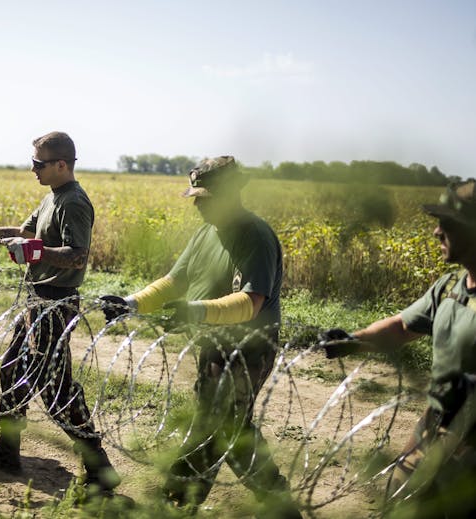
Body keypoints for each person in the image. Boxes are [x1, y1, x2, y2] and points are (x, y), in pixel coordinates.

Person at [100, 156, 301, 517]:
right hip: (213, 348)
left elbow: (251, 302)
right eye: (196, 196)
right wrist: (131, 304)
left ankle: (178, 498)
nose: (197, 204)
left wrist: (196, 311)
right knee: (230, 428)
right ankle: (278, 503)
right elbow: (175, 281)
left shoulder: (254, 234)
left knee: (214, 426)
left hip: (247, 350)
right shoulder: (206, 233)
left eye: (205, 197)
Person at [0, 131, 120, 494]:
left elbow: (77, 254)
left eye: (38, 164)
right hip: (36, 301)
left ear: (61, 164)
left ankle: (99, 467)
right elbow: (24, 232)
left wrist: (34, 252)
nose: (33, 170)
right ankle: (8, 452)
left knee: (56, 390)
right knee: (12, 369)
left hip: (55, 303)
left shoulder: (73, 202)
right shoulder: (52, 197)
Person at [319, 179, 476, 518]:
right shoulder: (449, 288)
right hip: (436, 422)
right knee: (401, 500)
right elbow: (404, 326)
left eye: (446, 224)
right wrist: (353, 341)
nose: (436, 232)